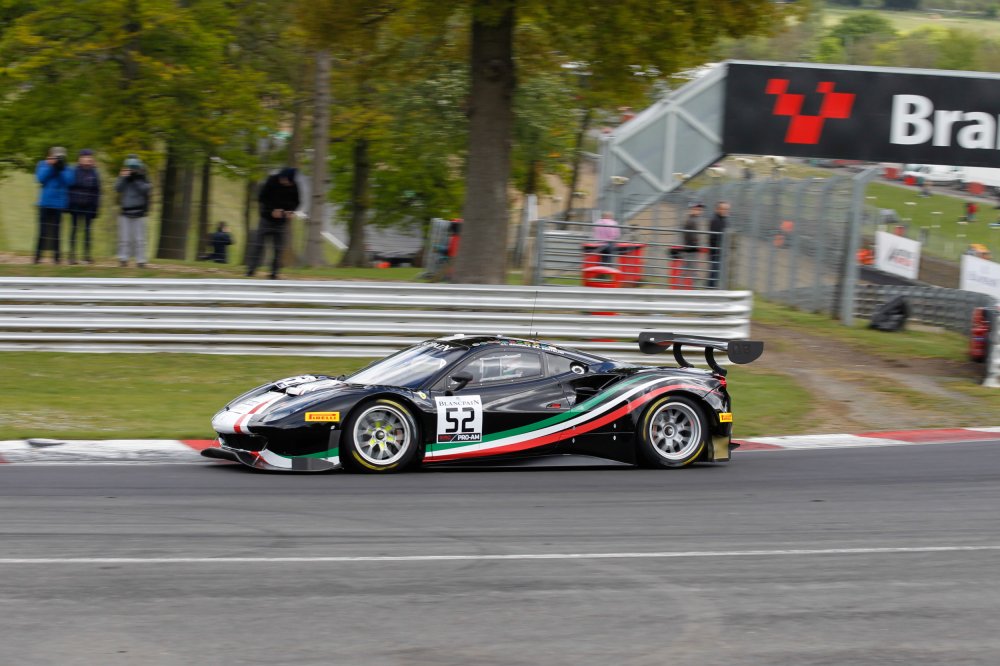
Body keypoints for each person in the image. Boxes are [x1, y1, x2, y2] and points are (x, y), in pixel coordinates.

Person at [247, 167, 300, 279]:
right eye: (285, 180)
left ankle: (274, 272)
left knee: (278, 248)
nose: (286, 183)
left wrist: (291, 211)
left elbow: (297, 201)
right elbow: (262, 198)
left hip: (281, 222)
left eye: (288, 182)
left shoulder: (293, 185)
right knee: (258, 245)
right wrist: (272, 210)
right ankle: (251, 270)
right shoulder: (272, 180)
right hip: (266, 219)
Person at [34, 146, 75, 264]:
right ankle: (37, 257)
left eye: (60, 157)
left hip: (58, 204)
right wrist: (51, 167)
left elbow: (69, 182)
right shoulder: (43, 164)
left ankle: (57, 258)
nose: (58, 159)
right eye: (56, 156)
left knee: (57, 232)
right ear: (50, 156)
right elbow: (40, 178)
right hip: (45, 202)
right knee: (42, 231)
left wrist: (60, 169)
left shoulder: (67, 168)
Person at [114, 155, 152, 267]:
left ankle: (141, 261)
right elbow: (117, 188)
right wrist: (123, 177)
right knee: (124, 239)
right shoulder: (124, 177)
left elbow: (146, 189)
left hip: (139, 212)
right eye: (130, 167)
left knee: (140, 239)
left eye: (134, 167)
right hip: (125, 212)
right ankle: (123, 259)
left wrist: (136, 179)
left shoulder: (143, 177)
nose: (132, 170)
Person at [67, 149, 101, 264]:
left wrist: (96, 207)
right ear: (80, 159)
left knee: (88, 231)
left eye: (90, 157)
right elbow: (69, 188)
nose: (88, 159)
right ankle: (72, 256)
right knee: (74, 230)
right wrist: (69, 205)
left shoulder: (94, 173)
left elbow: (97, 191)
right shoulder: (74, 171)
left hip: (89, 206)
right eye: (86, 157)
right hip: (76, 204)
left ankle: (87, 256)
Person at [707, 201, 730, 288]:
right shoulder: (715, 220)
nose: (725, 211)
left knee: (716, 273)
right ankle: (710, 290)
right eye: (723, 209)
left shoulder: (723, 219)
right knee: (714, 273)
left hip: (719, 251)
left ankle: (712, 289)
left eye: (726, 209)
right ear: (717, 209)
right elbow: (714, 237)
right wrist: (720, 248)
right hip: (716, 252)